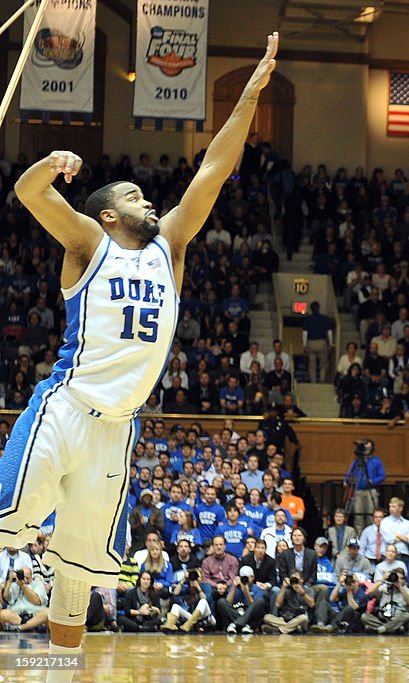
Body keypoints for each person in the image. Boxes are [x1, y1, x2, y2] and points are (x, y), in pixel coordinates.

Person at [0, 34, 279, 677]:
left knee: (77, 566)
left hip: (118, 429)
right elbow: (29, 193)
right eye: (132, 197)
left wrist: (252, 92)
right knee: (7, 519)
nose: (148, 201)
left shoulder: (170, 245)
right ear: (104, 217)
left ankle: (61, 675)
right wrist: (51, 164)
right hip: (65, 411)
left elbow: (214, 166)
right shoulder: (86, 246)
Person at [344, 439, 386, 534]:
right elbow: (349, 473)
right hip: (358, 491)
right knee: (358, 517)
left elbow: (382, 476)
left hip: (370, 491)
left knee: (371, 516)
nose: (366, 449)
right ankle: (359, 538)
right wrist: (347, 480)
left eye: (368, 447)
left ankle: (372, 536)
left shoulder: (376, 461)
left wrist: (373, 481)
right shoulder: (356, 461)